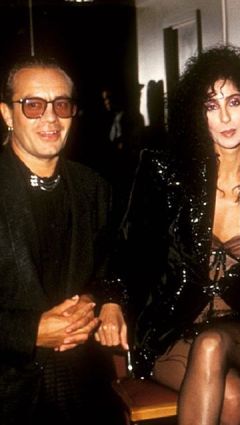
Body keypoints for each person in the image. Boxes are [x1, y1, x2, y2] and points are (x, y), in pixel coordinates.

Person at [115, 45, 240, 425]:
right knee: (231, 392)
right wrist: (111, 297)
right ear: (195, 114)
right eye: (211, 105)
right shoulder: (164, 172)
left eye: (234, 101)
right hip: (172, 328)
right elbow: (129, 245)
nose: (224, 116)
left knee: (213, 343)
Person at [0, 56, 128, 425]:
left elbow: (112, 268)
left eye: (61, 105)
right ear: (7, 114)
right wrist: (30, 332)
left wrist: (99, 301)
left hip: (84, 391)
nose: (50, 118)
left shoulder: (94, 188)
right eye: (34, 105)